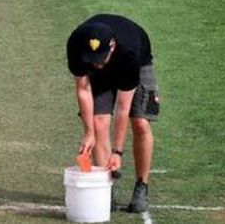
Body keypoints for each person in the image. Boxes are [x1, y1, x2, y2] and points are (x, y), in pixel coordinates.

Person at [67, 14, 160, 213]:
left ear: (112, 46)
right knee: (99, 123)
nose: (97, 64)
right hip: (106, 71)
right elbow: (83, 90)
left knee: (140, 122)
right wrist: (88, 132)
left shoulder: (129, 53)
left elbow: (123, 108)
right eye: (93, 60)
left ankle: (141, 187)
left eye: (100, 59)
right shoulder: (76, 44)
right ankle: (105, 189)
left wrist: (117, 151)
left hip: (137, 63)